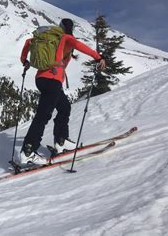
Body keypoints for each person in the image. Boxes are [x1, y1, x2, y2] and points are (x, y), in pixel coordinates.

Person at [19, 18, 106, 165]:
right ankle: (28, 151)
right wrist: (98, 58)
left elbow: (28, 42)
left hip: (41, 79)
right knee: (43, 115)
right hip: (53, 80)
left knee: (64, 107)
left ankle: (61, 140)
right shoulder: (65, 38)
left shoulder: (47, 38)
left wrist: (25, 61)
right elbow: (80, 46)